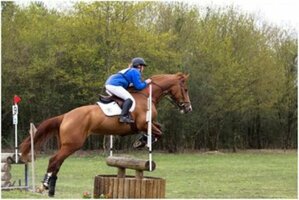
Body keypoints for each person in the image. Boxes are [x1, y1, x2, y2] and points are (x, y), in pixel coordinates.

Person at [105, 57, 152, 123]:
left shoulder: (130, 70)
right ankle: (123, 117)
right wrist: (146, 82)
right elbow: (138, 87)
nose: (143, 68)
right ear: (139, 66)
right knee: (129, 98)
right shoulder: (135, 71)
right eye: (143, 66)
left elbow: (130, 83)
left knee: (123, 98)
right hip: (114, 85)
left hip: (110, 84)